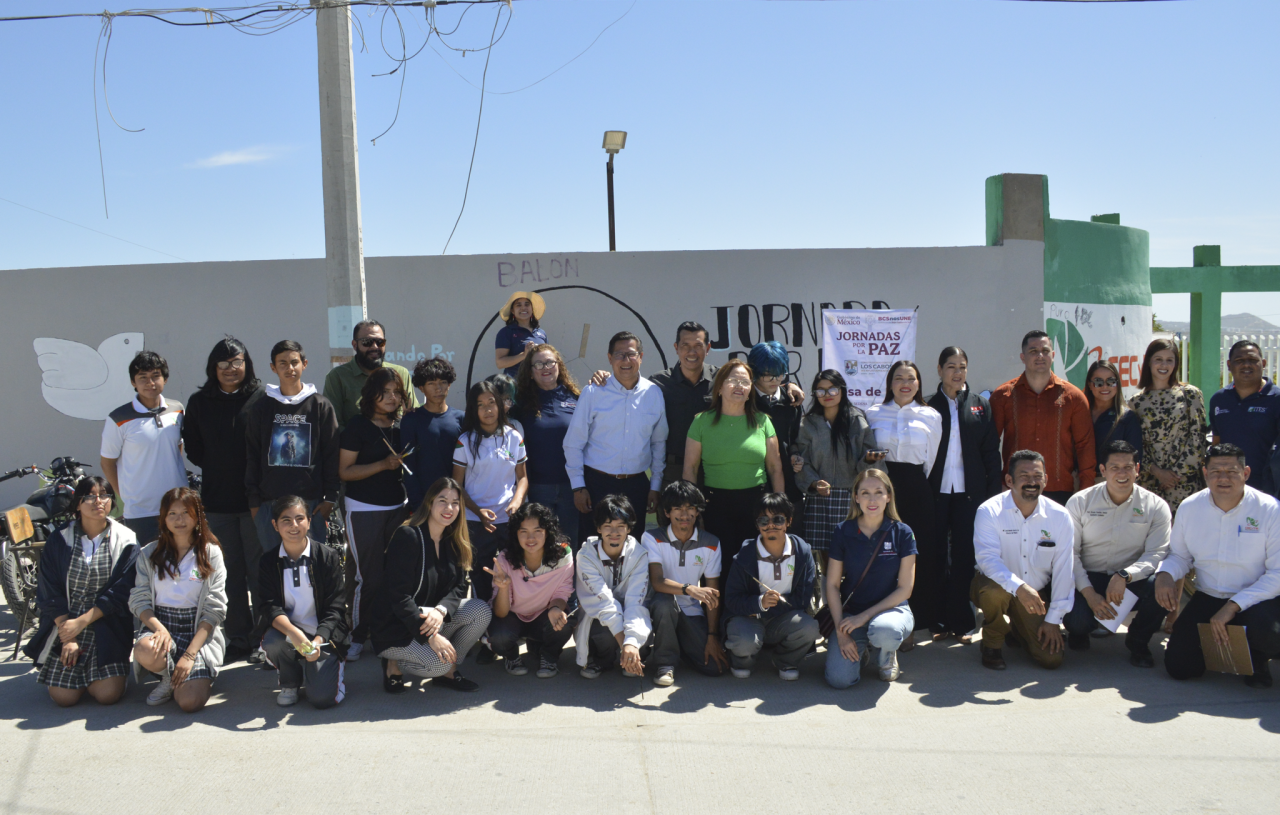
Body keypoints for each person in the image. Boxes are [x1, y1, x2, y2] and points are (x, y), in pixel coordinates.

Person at [1156, 443, 1280, 687]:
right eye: (1215, 472)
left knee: (1271, 635)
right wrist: (1165, 574)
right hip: (1209, 595)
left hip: (1256, 599)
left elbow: (1277, 574)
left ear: (1245, 473)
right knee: (1180, 667)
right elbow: (1180, 556)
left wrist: (1233, 606)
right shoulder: (1190, 507)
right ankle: (1224, 649)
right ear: (1205, 474)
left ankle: (1257, 658)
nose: (1223, 478)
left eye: (1232, 472)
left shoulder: (1269, 509)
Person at [183, 337, 265, 663]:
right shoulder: (200, 401)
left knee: (260, 573)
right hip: (217, 502)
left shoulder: (262, 397)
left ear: (247, 363)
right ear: (213, 368)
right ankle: (238, 638)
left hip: (256, 502)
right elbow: (194, 449)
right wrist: (219, 465)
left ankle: (264, 638)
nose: (232, 370)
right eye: (224, 364)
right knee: (227, 574)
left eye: (237, 362)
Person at [26, 477, 138, 707]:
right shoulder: (59, 539)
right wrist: (69, 635)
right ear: (77, 503)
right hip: (65, 625)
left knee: (107, 695)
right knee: (64, 698)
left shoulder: (126, 539)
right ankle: (75, 675)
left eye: (104, 495)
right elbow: (49, 590)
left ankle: (105, 676)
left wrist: (83, 622)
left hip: (106, 625)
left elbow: (121, 592)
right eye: (89, 496)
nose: (98, 501)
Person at [372, 478, 492, 694]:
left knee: (480, 611)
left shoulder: (453, 538)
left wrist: (441, 610)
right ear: (429, 503)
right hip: (398, 626)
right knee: (438, 663)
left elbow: (458, 587)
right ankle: (393, 662)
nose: (449, 508)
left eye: (455, 503)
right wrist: (432, 637)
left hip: (431, 618)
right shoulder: (408, 535)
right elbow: (398, 597)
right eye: (442, 501)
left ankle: (448, 672)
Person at [1064, 440, 1171, 667]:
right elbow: (1068, 554)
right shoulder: (1080, 502)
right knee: (1078, 622)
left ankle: (1138, 641)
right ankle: (1079, 631)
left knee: (1161, 586)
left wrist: (1124, 575)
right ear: (1103, 470)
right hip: (1088, 576)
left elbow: (1156, 553)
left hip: (1129, 579)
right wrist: (1090, 594)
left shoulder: (1156, 506)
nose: (1122, 474)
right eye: (1114, 467)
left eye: (1128, 467)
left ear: (1137, 469)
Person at [971, 450, 1075, 671]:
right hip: (995, 586)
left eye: (1037, 476)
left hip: (1034, 594)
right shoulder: (989, 511)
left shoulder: (1060, 516)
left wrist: (1053, 619)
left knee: (1051, 659)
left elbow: (1065, 569)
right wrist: (1019, 587)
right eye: (1024, 476)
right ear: (1009, 480)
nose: (1031, 482)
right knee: (994, 592)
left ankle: (1018, 629)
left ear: (1046, 479)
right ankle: (992, 643)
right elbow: (987, 560)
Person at [927, 347, 1002, 642]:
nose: (957, 373)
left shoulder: (980, 406)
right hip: (936, 494)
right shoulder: (928, 405)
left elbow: (990, 453)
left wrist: (992, 494)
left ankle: (961, 621)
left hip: (970, 495)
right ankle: (937, 621)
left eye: (962, 367)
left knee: (963, 556)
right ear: (939, 369)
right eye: (950, 367)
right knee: (934, 557)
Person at [564, 331, 668, 543]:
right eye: (619, 355)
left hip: (636, 486)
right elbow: (573, 443)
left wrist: (655, 486)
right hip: (596, 485)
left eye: (631, 354)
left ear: (641, 356)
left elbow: (658, 443)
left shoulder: (654, 393)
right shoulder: (593, 392)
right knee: (593, 546)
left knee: (632, 547)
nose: (625, 360)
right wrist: (578, 486)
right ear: (610, 358)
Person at [130, 487, 227, 712]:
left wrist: (190, 654)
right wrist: (159, 629)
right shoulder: (149, 553)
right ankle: (168, 676)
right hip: (162, 625)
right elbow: (139, 600)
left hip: (198, 631)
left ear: (198, 517)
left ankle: (191, 673)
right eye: (172, 513)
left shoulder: (210, 553)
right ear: (163, 519)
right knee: (144, 648)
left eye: (186, 512)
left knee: (189, 702)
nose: (179, 519)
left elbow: (215, 609)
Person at [864, 360, 941, 640]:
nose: (905, 383)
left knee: (913, 553)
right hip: (882, 486)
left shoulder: (931, 415)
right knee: (884, 553)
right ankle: (879, 617)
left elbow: (931, 460)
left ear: (919, 383)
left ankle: (913, 621)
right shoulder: (873, 413)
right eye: (898, 378)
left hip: (916, 488)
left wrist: (915, 483)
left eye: (911, 378)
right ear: (889, 383)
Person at [339, 366, 411, 660]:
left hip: (399, 507)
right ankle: (357, 634)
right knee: (367, 577)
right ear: (372, 394)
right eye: (386, 392)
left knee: (395, 575)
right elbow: (344, 471)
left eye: (397, 392)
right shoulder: (357, 426)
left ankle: (389, 630)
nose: (392, 398)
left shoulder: (402, 426)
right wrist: (382, 465)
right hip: (364, 510)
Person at [683, 359, 785, 564]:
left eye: (745, 382)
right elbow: (690, 468)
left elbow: (775, 468)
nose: (740, 386)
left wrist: (780, 507)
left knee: (753, 565)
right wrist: (692, 509)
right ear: (719, 387)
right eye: (733, 381)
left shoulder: (763, 421)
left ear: (751, 390)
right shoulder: (701, 421)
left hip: (756, 505)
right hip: (715, 506)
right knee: (720, 567)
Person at [825, 469, 917, 687]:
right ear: (856, 497)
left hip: (890, 611)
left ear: (889, 496)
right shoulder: (842, 531)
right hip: (851, 615)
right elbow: (831, 584)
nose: (872, 499)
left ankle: (887, 653)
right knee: (839, 680)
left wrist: (864, 617)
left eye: (879, 492)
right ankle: (863, 653)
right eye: (865, 493)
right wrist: (841, 632)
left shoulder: (902, 532)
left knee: (886, 631)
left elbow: (905, 589)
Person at [245, 340, 340, 551]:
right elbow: (252, 454)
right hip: (269, 504)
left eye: (294, 362)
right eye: (283, 363)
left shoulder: (320, 405)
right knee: (275, 571)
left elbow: (332, 454)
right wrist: (254, 504)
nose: (290, 368)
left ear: (304, 364)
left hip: (311, 504)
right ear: (273, 367)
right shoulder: (261, 407)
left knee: (312, 570)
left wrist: (330, 498)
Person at [796, 369, 881, 603]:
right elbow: (799, 457)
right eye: (821, 390)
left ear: (842, 390)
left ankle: (855, 605)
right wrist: (813, 482)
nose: (827, 394)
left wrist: (870, 459)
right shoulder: (808, 422)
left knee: (854, 554)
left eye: (832, 389)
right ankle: (828, 610)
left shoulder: (856, 419)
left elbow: (868, 454)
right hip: (820, 498)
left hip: (851, 496)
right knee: (826, 558)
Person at [257, 495, 349, 708]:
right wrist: (293, 633)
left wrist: (318, 640)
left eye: (300, 518)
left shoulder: (327, 556)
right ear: (275, 525)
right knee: (272, 641)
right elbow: (269, 606)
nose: (294, 525)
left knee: (321, 699)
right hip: (290, 633)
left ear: (309, 521)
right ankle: (290, 681)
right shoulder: (268, 561)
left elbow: (335, 607)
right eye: (286, 520)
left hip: (323, 636)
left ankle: (327, 669)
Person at [991, 330, 1096, 505]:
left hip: (1060, 489)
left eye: (1045, 351)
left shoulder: (1074, 397)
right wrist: (999, 483)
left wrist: (1084, 491)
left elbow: (1085, 446)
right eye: (1033, 351)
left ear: (1053, 355)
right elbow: (990, 446)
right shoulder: (1003, 396)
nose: (1040, 355)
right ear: (1022, 357)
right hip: (1015, 489)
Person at [722, 493, 819, 681]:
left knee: (809, 627)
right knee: (744, 642)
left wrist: (764, 609)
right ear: (757, 524)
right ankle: (743, 660)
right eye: (764, 520)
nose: (770, 525)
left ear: (789, 521)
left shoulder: (802, 552)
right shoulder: (745, 556)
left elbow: (803, 598)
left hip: (782, 618)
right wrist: (759, 603)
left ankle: (785, 660)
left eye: (778, 519)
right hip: (748, 618)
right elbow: (731, 600)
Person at [452, 380, 528, 613]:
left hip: (508, 519)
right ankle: (483, 628)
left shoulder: (514, 436)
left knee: (514, 571)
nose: (487, 409)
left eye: (491, 403)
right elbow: (456, 484)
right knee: (480, 576)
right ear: (473, 409)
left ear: (501, 405)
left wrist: (516, 503)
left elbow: (522, 478)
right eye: (480, 405)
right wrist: (478, 512)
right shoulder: (464, 441)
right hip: (477, 521)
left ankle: (511, 620)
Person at [642, 480, 727, 685]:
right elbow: (657, 582)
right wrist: (689, 589)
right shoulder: (651, 537)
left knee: (716, 668)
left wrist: (712, 636)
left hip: (691, 612)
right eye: (678, 508)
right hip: (658, 609)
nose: (685, 514)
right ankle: (665, 663)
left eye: (690, 508)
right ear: (667, 512)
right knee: (664, 601)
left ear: (697, 512)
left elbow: (712, 595)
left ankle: (678, 647)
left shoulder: (712, 543)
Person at [99, 350, 187, 544]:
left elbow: (176, 448)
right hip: (141, 511)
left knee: (181, 565)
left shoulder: (178, 409)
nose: (150, 383)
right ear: (133, 382)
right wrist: (125, 496)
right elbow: (107, 462)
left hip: (178, 505)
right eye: (143, 378)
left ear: (165, 378)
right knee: (147, 567)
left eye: (156, 376)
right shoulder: (118, 418)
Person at [484, 503, 578, 678]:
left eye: (538, 531)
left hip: (543, 613)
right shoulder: (505, 558)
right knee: (500, 637)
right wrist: (503, 588)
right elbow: (501, 613)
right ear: (515, 534)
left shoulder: (563, 554)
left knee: (564, 622)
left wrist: (555, 608)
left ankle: (549, 656)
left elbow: (563, 592)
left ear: (548, 532)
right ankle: (511, 657)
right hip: (512, 616)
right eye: (523, 531)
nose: (531, 538)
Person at [574, 495, 651, 679]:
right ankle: (602, 660)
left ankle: (632, 657)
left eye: (621, 526)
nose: (614, 532)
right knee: (603, 632)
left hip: (629, 614)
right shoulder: (585, 556)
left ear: (629, 529)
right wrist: (626, 645)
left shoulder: (639, 555)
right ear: (599, 528)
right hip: (599, 616)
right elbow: (604, 603)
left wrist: (631, 643)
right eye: (608, 526)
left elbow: (635, 602)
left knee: (642, 632)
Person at [512, 344, 581, 545]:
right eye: (538, 364)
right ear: (530, 372)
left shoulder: (576, 397)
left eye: (550, 362)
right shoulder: (521, 403)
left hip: (572, 489)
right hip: (537, 489)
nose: (545, 367)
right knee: (540, 545)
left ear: (559, 366)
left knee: (569, 544)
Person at [1130, 338, 1208, 511]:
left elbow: (1198, 437)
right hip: (1149, 484)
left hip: (1184, 485)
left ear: (1176, 364)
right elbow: (1136, 445)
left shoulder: (1190, 394)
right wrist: (1157, 472)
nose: (1163, 365)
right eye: (1158, 359)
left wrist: (1174, 476)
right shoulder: (1136, 402)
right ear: (1149, 362)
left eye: (1169, 360)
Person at [1209, 340, 1280, 497]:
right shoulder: (1219, 400)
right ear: (1229, 365)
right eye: (1239, 361)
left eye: (1253, 360)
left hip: (1268, 490)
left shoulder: (1276, 399)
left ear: (1263, 363)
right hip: (1229, 489)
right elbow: (1217, 444)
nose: (1246, 365)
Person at [748, 342, 806, 531]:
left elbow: (796, 439)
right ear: (754, 372)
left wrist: (797, 455)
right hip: (754, 486)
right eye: (768, 375)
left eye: (781, 374)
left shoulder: (792, 401)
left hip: (789, 487)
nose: (776, 380)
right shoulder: (744, 400)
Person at [323, 319, 418, 430]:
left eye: (379, 342)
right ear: (354, 345)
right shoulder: (337, 377)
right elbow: (333, 424)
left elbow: (413, 414)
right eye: (367, 342)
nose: (374, 347)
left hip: (397, 444)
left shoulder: (400, 373)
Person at [400, 357, 466, 510]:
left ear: (449, 385)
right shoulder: (411, 420)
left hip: (456, 503)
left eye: (443, 382)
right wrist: (418, 504)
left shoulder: (461, 418)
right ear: (421, 388)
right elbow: (408, 466)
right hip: (424, 503)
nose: (438, 388)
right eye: (431, 383)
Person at [1085, 359, 1143, 468]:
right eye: (1098, 382)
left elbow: (1135, 458)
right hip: (1079, 479)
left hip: (1113, 479)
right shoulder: (1080, 413)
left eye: (1111, 381)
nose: (1105, 386)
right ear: (1089, 385)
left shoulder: (1127, 417)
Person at [494, 292, 549, 376]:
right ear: (512, 310)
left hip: (539, 383)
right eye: (518, 305)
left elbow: (548, 357)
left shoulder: (542, 332)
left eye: (527, 305)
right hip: (516, 384)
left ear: (532, 309)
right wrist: (523, 355)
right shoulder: (506, 332)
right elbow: (500, 363)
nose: (523, 308)